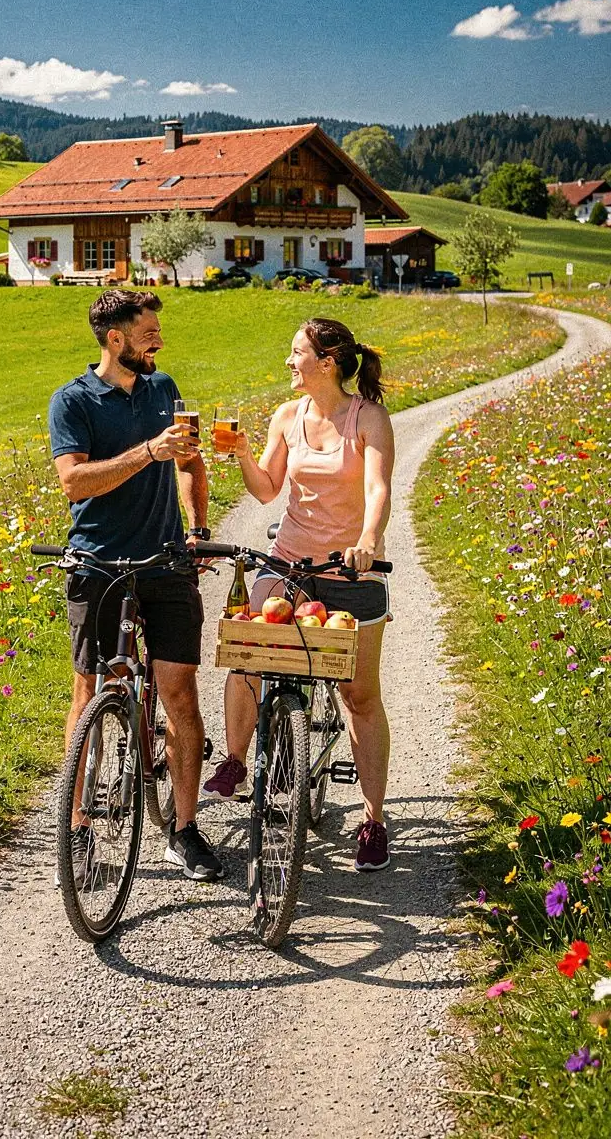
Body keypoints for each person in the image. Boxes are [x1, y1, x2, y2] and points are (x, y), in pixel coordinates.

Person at [203, 316, 395, 872]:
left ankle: (373, 820)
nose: (289, 362)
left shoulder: (368, 418)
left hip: (350, 569)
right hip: (289, 561)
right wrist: (241, 451)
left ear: (326, 362)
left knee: (359, 696)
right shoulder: (287, 416)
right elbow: (266, 489)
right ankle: (238, 760)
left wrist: (367, 539)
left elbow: (379, 488)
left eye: (296, 353)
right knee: (246, 653)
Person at [48, 288, 223, 882]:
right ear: (115, 339)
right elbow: (74, 483)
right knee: (90, 690)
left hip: (168, 564)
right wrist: (148, 451)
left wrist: (198, 527)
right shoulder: (72, 401)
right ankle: (77, 830)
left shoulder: (163, 388)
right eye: (149, 334)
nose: (159, 343)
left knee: (179, 695)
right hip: (97, 566)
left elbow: (191, 463)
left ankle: (183, 827)